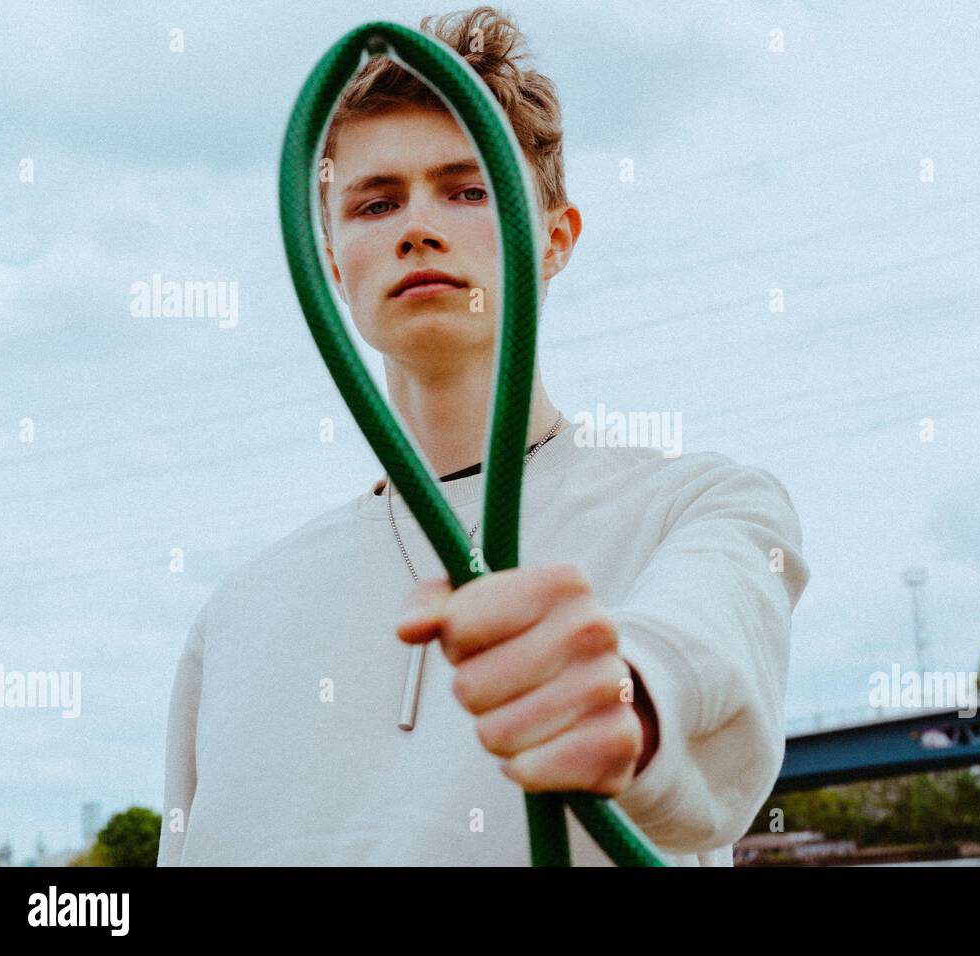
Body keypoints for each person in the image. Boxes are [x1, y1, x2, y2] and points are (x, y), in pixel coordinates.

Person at [157, 5, 809, 866]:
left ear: (555, 239)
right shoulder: (236, 616)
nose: (417, 227)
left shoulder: (699, 508)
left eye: (468, 190)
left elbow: (710, 651)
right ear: (330, 259)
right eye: (375, 202)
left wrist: (625, 695)